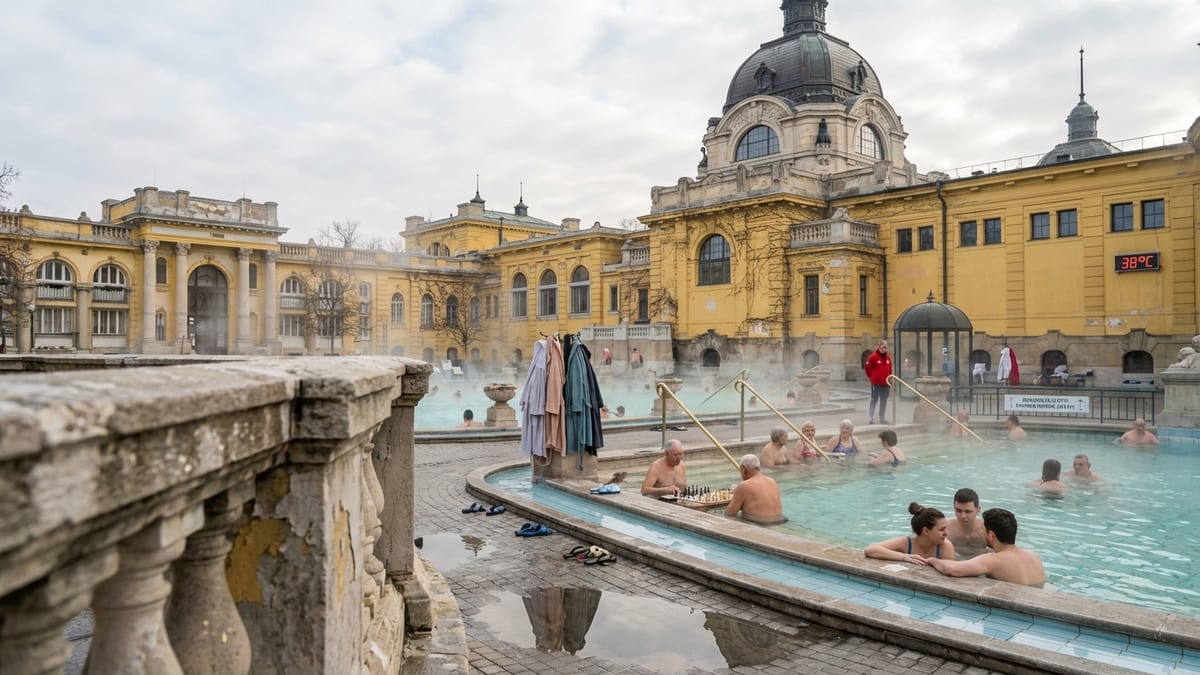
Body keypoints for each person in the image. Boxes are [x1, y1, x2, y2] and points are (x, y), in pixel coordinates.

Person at [927, 508, 1046, 587]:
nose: (981, 532)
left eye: (983, 530)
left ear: (991, 535)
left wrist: (931, 560)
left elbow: (952, 570)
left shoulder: (993, 559)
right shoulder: (1034, 556)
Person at [864, 502, 956, 565]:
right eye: (942, 529)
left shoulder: (945, 547)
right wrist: (904, 557)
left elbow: (949, 575)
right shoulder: (907, 543)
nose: (946, 533)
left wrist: (934, 562)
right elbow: (870, 549)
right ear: (926, 531)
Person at [725, 454, 786, 524]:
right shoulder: (772, 481)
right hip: (781, 521)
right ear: (759, 468)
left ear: (744, 469)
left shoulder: (743, 486)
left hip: (760, 524)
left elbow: (729, 513)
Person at [945, 488, 988, 559]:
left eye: (968, 511)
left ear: (978, 510)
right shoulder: (945, 527)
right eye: (958, 511)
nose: (963, 516)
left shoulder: (986, 529)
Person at [864, 340, 893, 424]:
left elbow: (890, 370)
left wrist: (890, 380)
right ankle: (871, 417)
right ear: (880, 346)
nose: (885, 348)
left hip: (885, 383)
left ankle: (882, 417)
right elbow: (867, 369)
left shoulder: (888, 358)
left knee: (884, 400)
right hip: (876, 383)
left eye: (886, 346)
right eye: (884, 346)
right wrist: (873, 378)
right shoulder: (873, 357)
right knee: (874, 399)